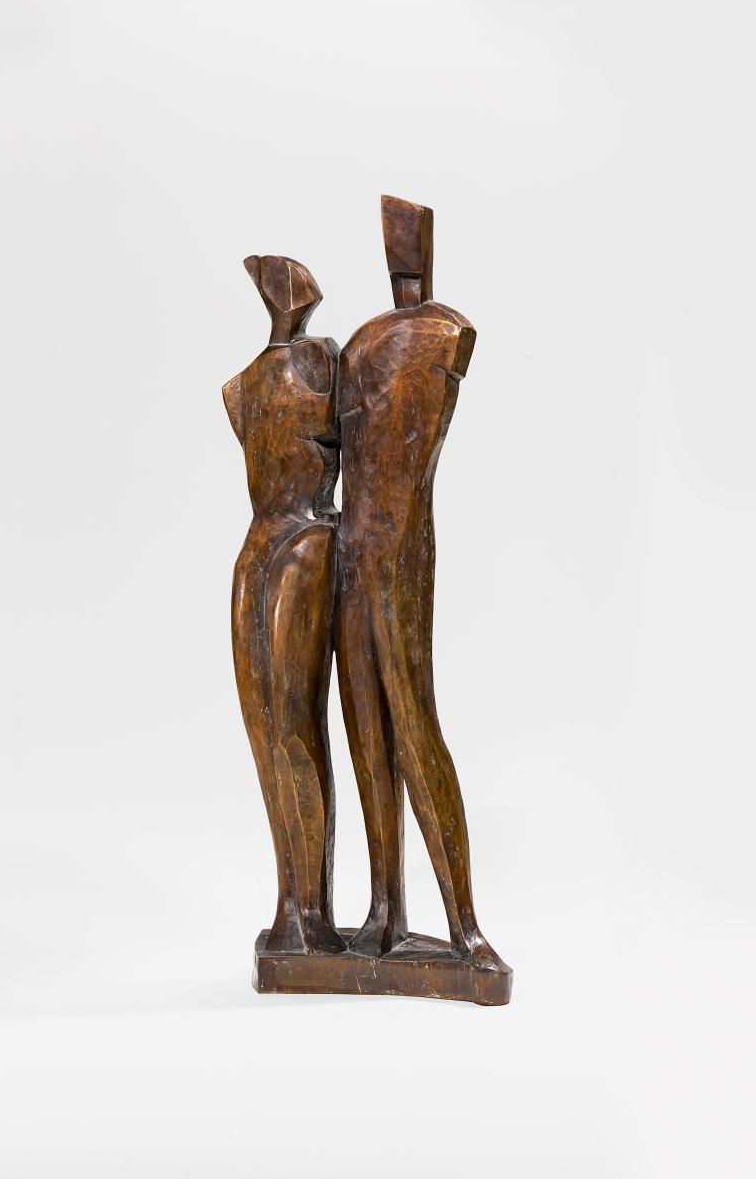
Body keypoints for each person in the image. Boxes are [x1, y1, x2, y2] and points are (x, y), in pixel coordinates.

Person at [335, 198, 507, 973]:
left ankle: (464, 926)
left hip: (400, 546)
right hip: (351, 545)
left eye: (408, 239)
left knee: (411, 720)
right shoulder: (359, 344)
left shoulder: (446, 332)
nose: (400, 251)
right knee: (364, 724)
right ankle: (383, 909)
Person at [224, 254, 344, 955]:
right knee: (262, 723)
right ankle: (288, 902)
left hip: (308, 538)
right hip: (257, 545)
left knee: (295, 720)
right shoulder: (242, 385)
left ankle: (315, 908)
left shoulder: (324, 362)